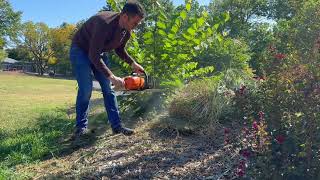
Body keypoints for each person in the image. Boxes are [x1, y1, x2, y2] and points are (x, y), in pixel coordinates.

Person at [69, 1, 145, 139]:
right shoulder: (104, 23)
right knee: (86, 89)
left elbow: (119, 49)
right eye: (135, 23)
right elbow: (93, 55)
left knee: (108, 90)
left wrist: (133, 63)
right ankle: (80, 129)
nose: (136, 27)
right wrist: (112, 77)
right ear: (124, 16)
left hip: (99, 53)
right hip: (80, 50)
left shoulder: (126, 32)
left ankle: (117, 126)